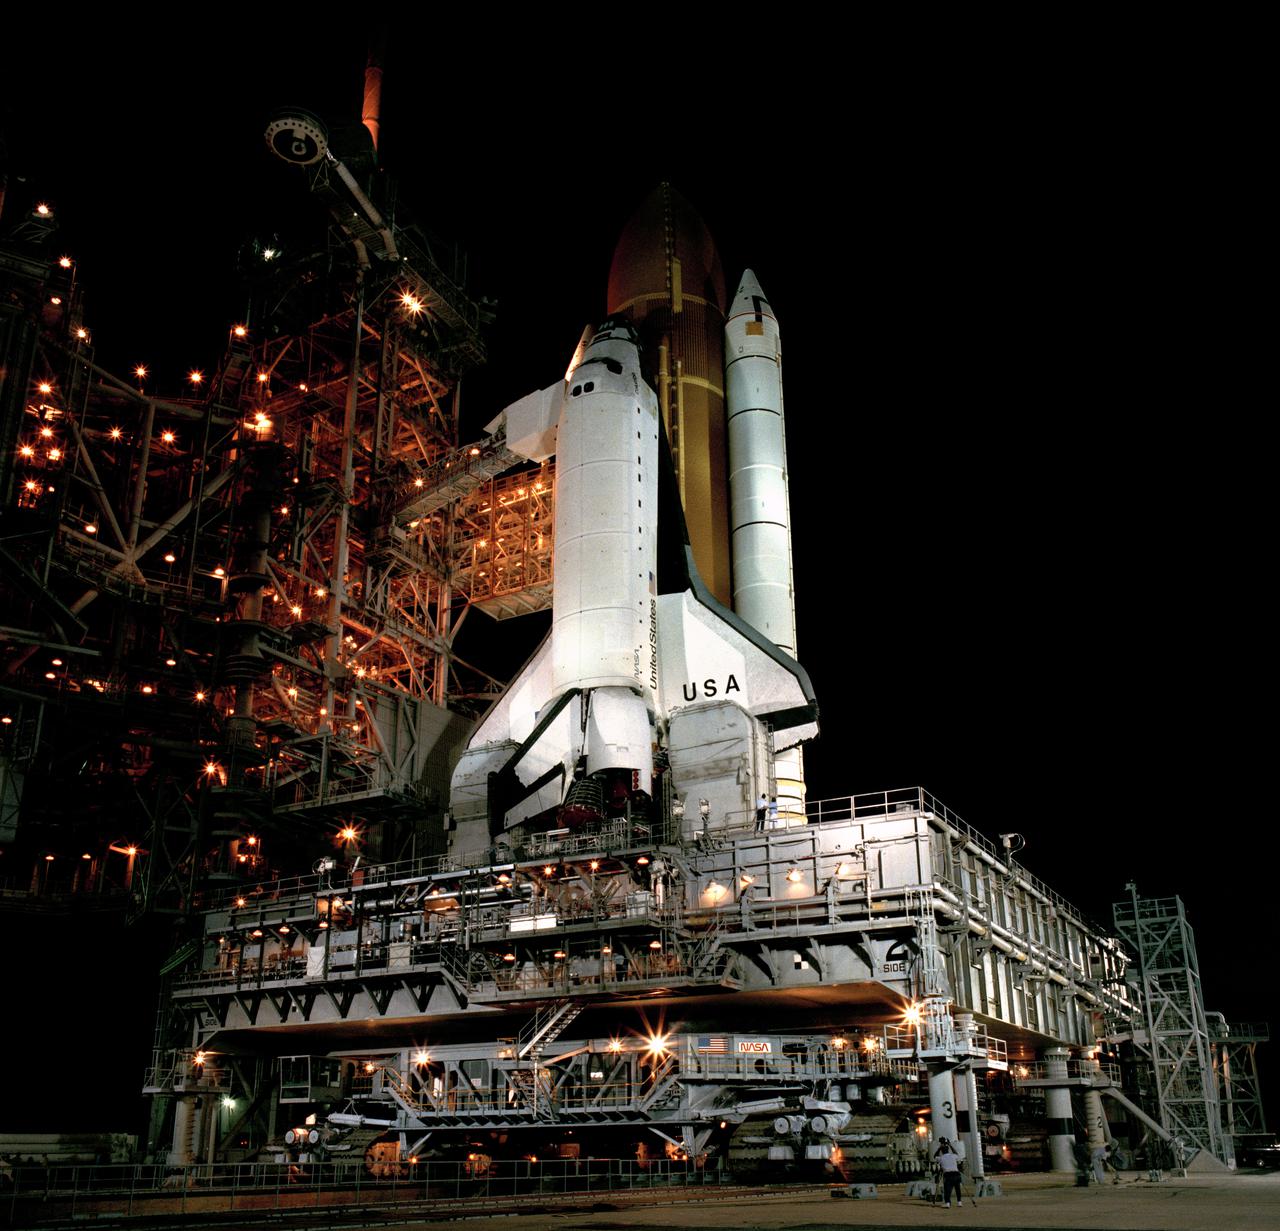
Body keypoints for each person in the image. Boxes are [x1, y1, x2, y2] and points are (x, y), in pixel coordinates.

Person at [933, 1138, 963, 1208]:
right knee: (957, 1189)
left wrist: (939, 1148)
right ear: (948, 1150)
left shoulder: (941, 1158)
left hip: (948, 1175)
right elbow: (956, 1153)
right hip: (956, 1174)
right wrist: (950, 1145)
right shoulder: (953, 1156)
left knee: (947, 1190)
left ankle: (947, 1203)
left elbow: (934, 1156)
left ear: (942, 1152)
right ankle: (959, 1202)